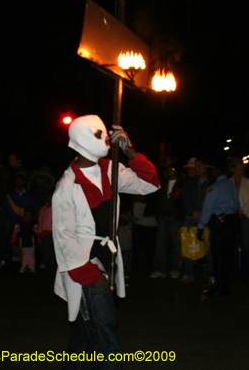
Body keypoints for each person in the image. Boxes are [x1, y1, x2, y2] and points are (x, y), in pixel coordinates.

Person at [52, 115, 159, 366]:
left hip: (107, 258)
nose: (107, 139)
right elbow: (63, 237)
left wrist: (131, 153)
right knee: (105, 331)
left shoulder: (110, 169)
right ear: (81, 138)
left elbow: (149, 184)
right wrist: (90, 274)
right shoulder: (66, 186)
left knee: (86, 333)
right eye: (98, 134)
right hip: (87, 266)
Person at [197, 158, 240, 296]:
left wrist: (200, 227)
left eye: (211, 170)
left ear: (216, 171)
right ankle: (226, 286)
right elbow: (237, 204)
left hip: (220, 225)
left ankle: (221, 289)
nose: (209, 173)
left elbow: (208, 209)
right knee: (228, 256)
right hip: (232, 222)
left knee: (219, 257)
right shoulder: (231, 185)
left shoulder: (214, 188)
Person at [181, 158, 214, 283]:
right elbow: (185, 198)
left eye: (200, 166)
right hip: (191, 218)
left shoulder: (212, 182)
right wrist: (193, 212)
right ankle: (189, 273)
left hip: (207, 218)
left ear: (206, 167)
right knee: (188, 245)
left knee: (209, 246)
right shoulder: (190, 182)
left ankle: (211, 274)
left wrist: (204, 213)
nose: (197, 169)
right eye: (196, 166)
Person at [150, 163, 185, 279]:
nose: (170, 171)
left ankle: (175, 268)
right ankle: (159, 269)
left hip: (175, 217)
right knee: (160, 243)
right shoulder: (163, 182)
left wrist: (179, 197)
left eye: (173, 168)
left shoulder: (182, 182)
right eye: (169, 168)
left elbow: (185, 198)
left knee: (176, 244)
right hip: (163, 216)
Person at [230, 158, 249, 281]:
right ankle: (234, 270)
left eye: (242, 169)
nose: (240, 172)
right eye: (238, 169)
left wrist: (242, 211)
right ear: (233, 169)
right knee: (234, 242)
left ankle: (245, 272)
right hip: (233, 215)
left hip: (247, 215)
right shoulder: (228, 182)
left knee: (245, 244)